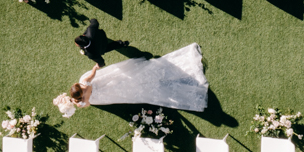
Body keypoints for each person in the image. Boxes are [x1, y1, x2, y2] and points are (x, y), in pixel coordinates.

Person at [64, 43, 209, 112]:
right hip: (109, 84)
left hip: (110, 89)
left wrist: (77, 102)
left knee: (135, 86)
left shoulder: (85, 96)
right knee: (132, 80)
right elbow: (92, 74)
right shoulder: (85, 83)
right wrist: (96, 67)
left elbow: (87, 103)